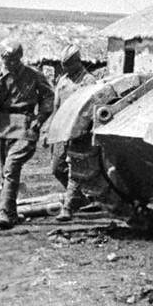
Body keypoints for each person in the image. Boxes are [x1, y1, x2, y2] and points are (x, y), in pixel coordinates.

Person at [0, 41, 54, 229]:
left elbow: (48, 96)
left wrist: (41, 118)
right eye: (6, 59)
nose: (9, 63)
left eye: (13, 59)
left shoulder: (33, 75)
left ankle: (5, 214)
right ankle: (11, 213)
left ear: (19, 58)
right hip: (2, 126)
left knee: (11, 167)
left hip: (25, 125)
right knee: (5, 172)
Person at [44, 44, 96, 221]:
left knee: (74, 168)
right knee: (57, 168)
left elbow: (89, 109)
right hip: (61, 131)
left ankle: (68, 208)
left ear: (77, 62)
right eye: (63, 64)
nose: (64, 68)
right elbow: (56, 108)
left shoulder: (88, 80)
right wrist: (49, 131)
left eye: (67, 64)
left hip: (79, 132)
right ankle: (80, 199)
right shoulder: (62, 80)